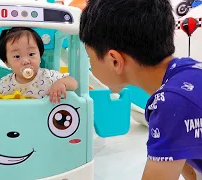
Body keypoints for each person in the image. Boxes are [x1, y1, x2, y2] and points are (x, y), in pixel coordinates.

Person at [79, 0, 202, 179]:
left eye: (90, 58)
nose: (90, 65)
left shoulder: (171, 103)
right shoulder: (189, 71)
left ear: (115, 61)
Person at [0, 27, 78, 103]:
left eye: (31, 54)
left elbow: (74, 83)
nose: (26, 61)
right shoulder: (7, 82)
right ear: (7, 63)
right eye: (17, 56)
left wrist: (61, 83)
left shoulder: (48, 76)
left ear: (40, 57)